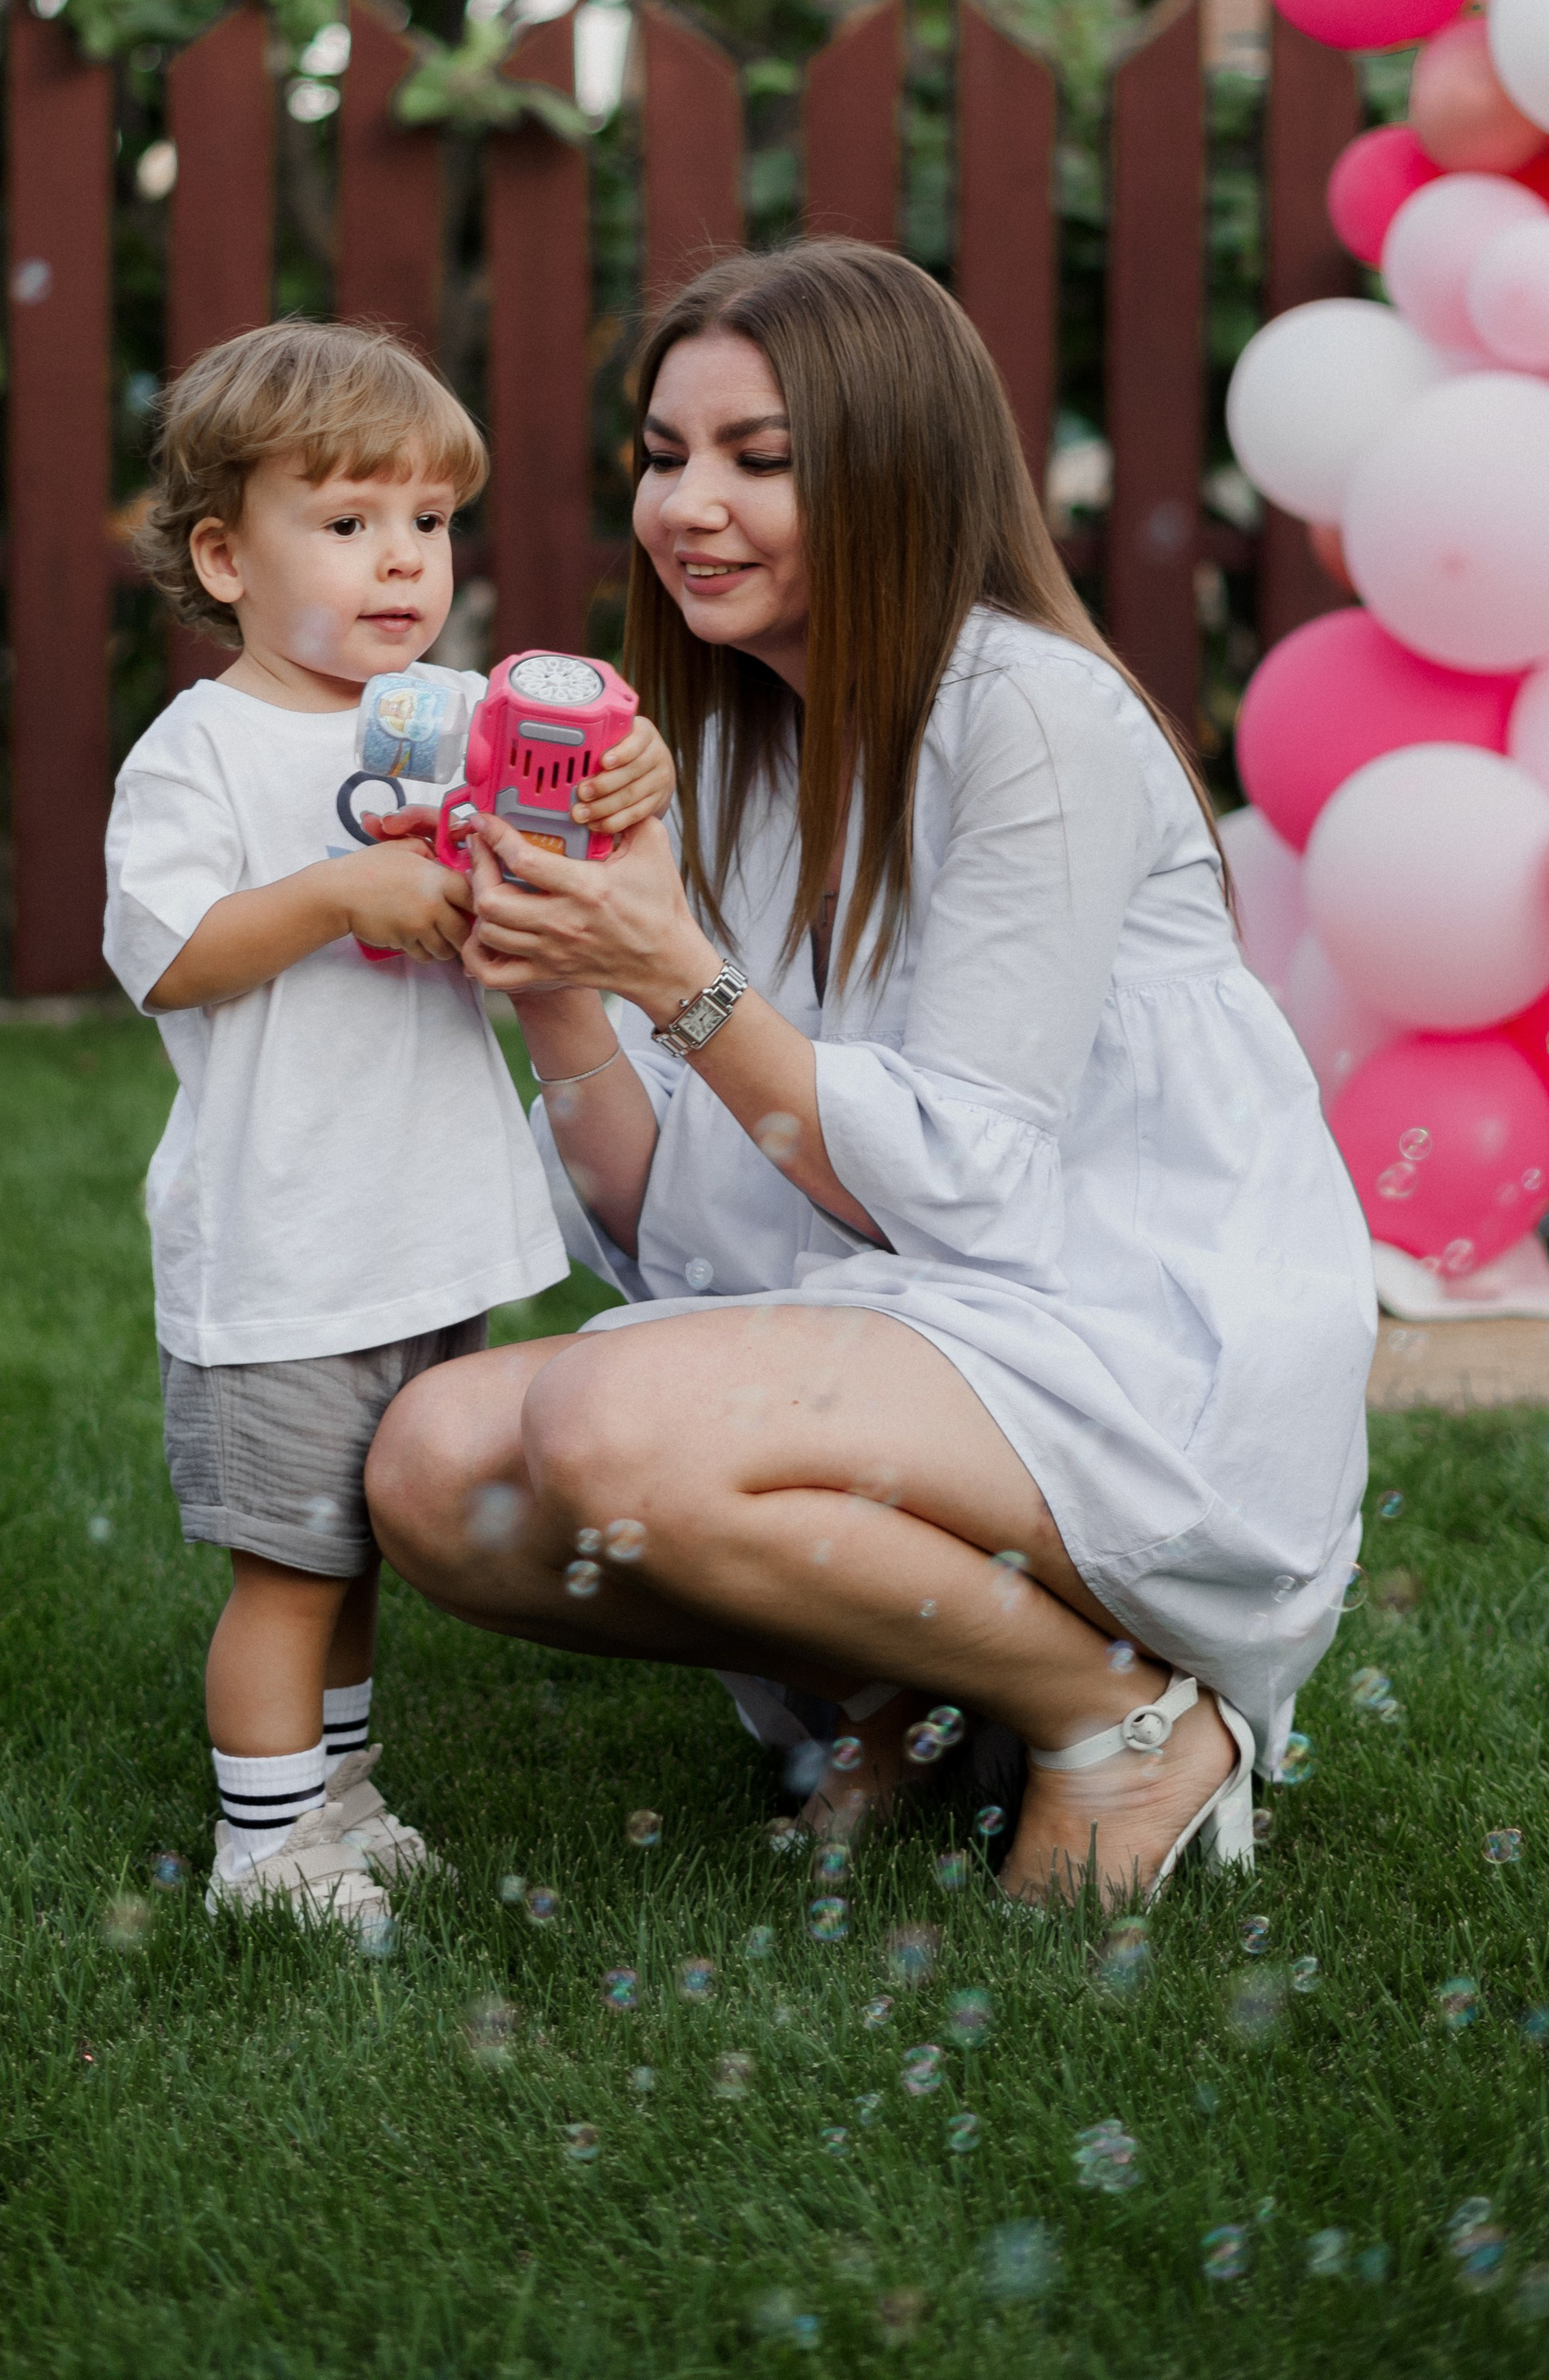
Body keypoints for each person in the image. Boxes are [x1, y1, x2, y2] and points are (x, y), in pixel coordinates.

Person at [368, 244, 1377, 1908]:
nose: (690, 505)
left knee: (612, 1430)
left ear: (896, 467)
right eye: (664, 455)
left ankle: (1119, 1719)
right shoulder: (746, 751)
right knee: (433, 1471)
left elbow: (964, 1186)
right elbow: (681, 1242)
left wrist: (674, 977)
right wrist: (560, 993)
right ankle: (898, 1690)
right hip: (924, 1324)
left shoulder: (1029, 718)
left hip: (1127, 1332)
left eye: (760, 461)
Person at [103, 319, 673, 1924]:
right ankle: (259, 1854)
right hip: (284, 1246)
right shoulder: (199, 754)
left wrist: (624, 780)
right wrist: (335, 890)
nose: (400, 562)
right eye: (345, 524)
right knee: (290, 1570)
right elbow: (166, 959)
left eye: (426, 522)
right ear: (224, 556)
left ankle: (335, 1800)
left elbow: (591, 758)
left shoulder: (453, 720)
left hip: (416, 1229)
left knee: (363, 1551)